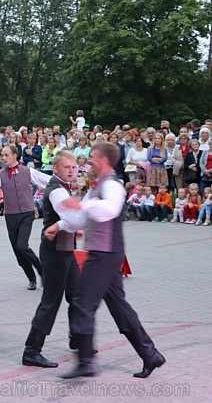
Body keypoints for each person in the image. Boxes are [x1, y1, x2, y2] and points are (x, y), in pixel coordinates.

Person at [60, 143, 165, 379]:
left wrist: (82, 204)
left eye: (93, 158)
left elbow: (110, 209)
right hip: (104, 252)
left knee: (82, 303)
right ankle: (150, 354)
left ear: (105, 160)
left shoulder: (114, 185)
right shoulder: (97, 186)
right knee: (119, 307)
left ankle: (86, 362)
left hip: (105, 254)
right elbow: (81, 217)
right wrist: (60, 223)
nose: (90, 162)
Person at [22, 151, 82, 369]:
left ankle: (77, 338)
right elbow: (71, 219)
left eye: (73, 167)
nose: (71, 170)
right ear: (55, 168)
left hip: (66, 250)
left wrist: (72, 228)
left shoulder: (63, 186)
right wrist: (71, 226)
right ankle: (31, 350)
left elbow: (70, 220)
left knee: (77, 296)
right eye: (67, 167)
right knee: (50, 302)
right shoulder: (56, 191)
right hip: (55, 253)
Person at [0, 145, 51, 290]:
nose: (4, 157)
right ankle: (31, 278)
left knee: (22, 246)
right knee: (17, 251)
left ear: (15, 155)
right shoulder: (0, 175)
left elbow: (47, 180)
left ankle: (42, 270)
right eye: (3, 155)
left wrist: (65, 184)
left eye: (6, 155)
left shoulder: (27, 171)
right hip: (10, 215)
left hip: (27, 213)